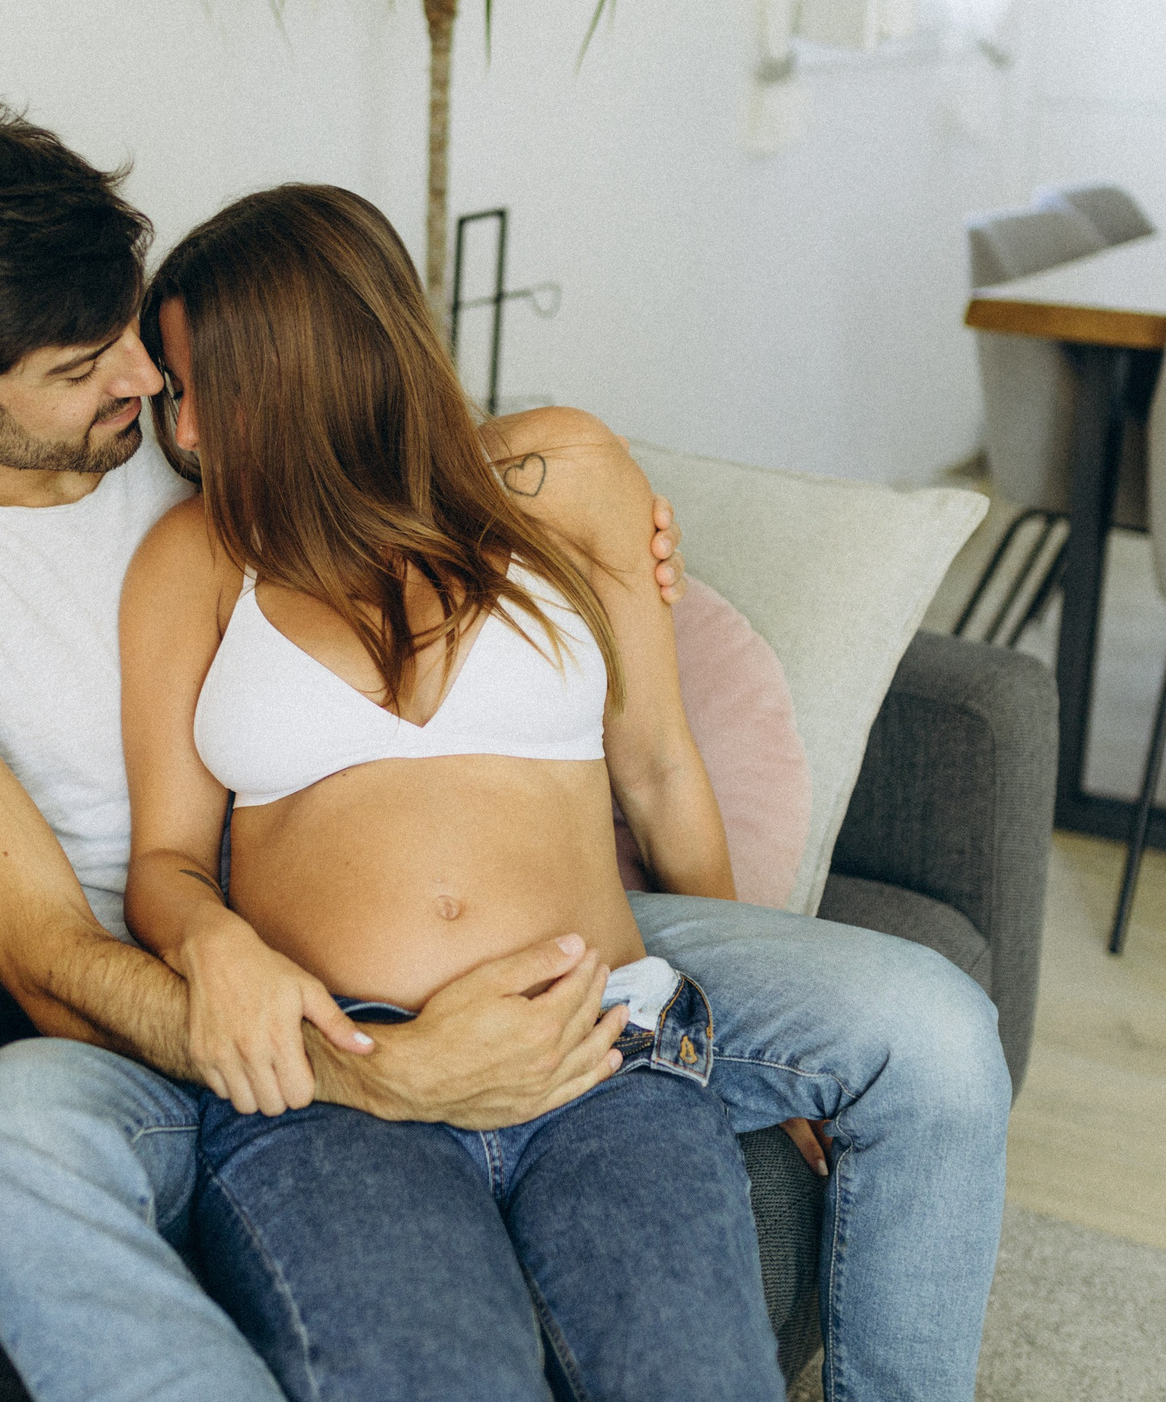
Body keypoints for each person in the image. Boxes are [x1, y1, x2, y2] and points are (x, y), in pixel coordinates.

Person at [0, 89, 1011, 1402]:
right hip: (219, 997)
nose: (148, 394)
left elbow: (377, 458)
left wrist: (592, 523)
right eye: (87, 368)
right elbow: (50, 956)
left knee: (934, 1033)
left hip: (566, 958)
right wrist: (355, 1056)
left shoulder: (203, 441)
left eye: (138, 342)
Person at [120, 183, 783, 1400]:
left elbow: (657, 767)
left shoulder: (563, 473)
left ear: (310, 366)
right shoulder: (194, 556)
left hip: (601, 1048)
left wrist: (743, 1023)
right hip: (337, 1079)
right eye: (175, 392)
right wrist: (216, 943)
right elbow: (162, 864)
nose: (187, 431)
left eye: (201, 385)